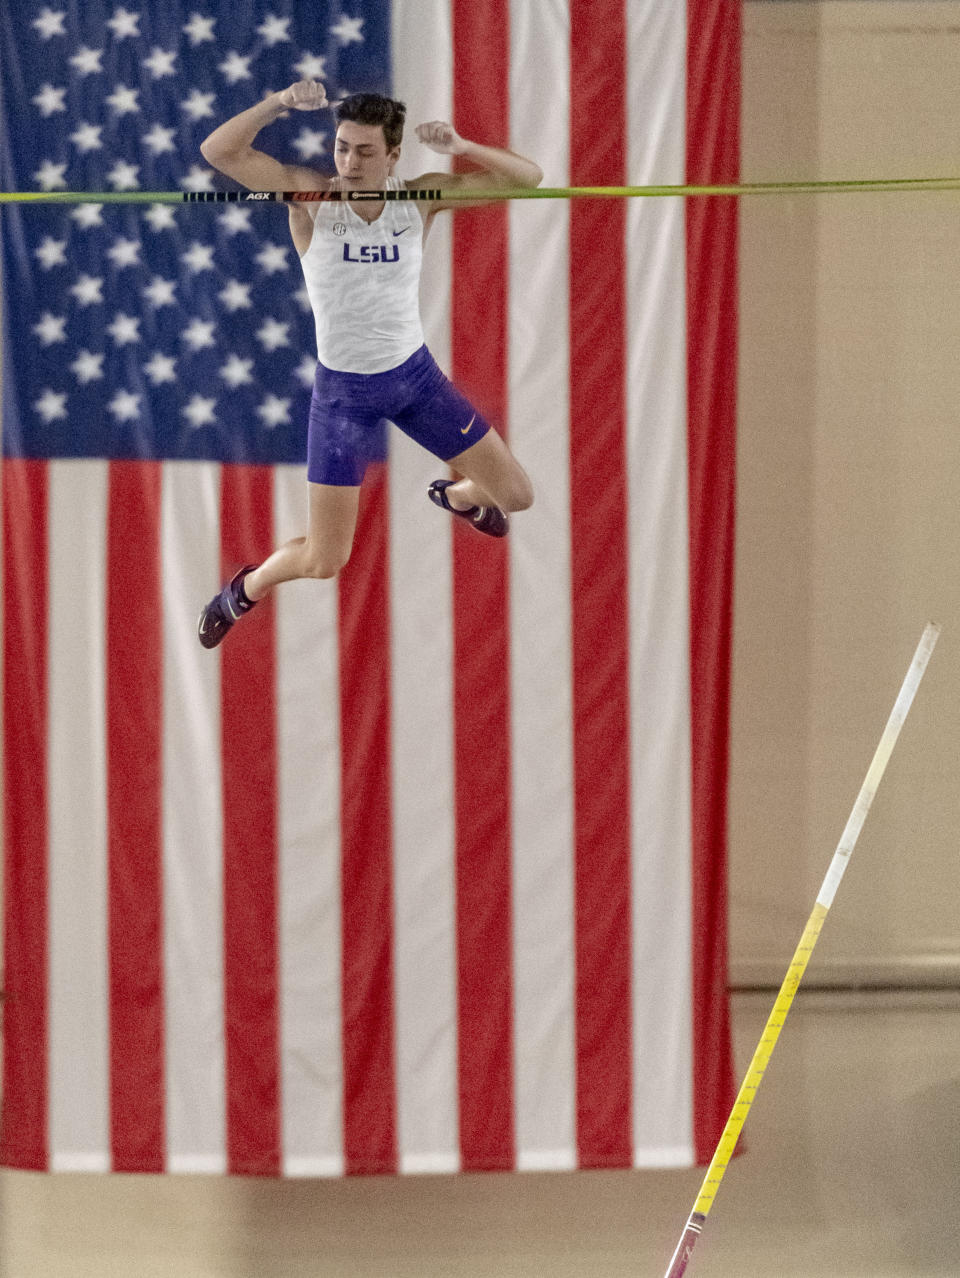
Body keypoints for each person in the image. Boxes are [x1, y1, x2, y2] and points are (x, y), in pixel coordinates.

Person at [197, 80, 540, 649]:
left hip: (416, 382)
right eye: (341, 147)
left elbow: (527, 180)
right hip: (343, 399)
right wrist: (277, 104)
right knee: (325, 559)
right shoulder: (310, 197)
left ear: (394, 156)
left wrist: (462, 144)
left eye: (364, 151)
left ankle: (456, 497)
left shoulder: (420, 198)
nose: (348, 163)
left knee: (518, 496)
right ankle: (245, 588)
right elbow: (219, 153)